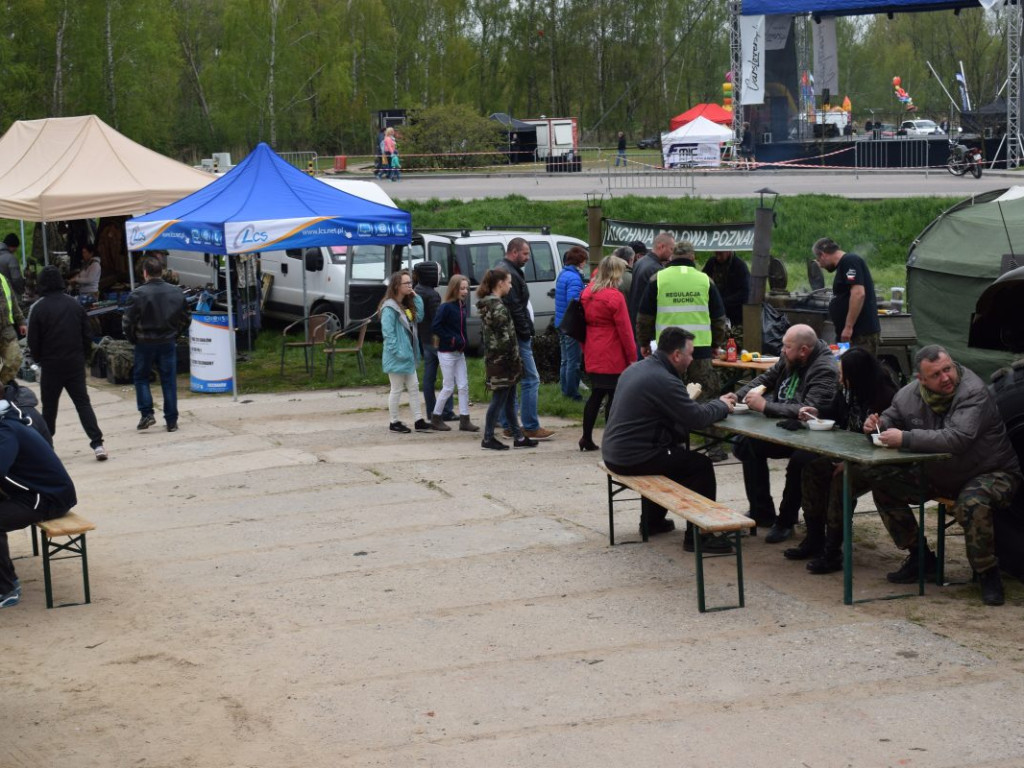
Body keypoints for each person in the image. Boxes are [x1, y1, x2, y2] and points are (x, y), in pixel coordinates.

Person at [860, 345, 1021, 605]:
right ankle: (921, 558)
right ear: (921, 379)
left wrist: (905, 438)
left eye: (948, 369)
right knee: (883, 482)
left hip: (992, 472)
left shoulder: (973, 391)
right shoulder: (908, 395)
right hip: (940, 474)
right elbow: (891, 418)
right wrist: (876, 425)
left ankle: (987, 573)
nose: (946, 377)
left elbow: (958, 438)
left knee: (972, 502)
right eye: (936, 374)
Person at [601, 327, 735, 551]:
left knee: (672, 453)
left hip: (615, 452)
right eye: (690, 354)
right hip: (633, 457)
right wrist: (721, 405)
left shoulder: (637, 368)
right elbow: (697, 419)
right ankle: (699, 537)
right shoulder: (663, 379)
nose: (692, 359)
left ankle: (651, 522)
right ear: (676, 355)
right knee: (700, 465)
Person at [728, 324, 839, 542]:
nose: (782, 350)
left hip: (812, 435)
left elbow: (810, 410)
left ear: (804, 350)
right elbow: (766, 379)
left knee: (800, 461)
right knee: (745, 444)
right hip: (785, 428)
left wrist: (765, 406)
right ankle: (762, 512)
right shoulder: (789, 356)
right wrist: (737, 396)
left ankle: (786, 521)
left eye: (787, 347)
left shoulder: (824, 369)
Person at [792, 347, 898, 568]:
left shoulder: (885, 397)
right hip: (846, 453)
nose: (840, 379)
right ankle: (814, 538)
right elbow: (835, 410)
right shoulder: (848, 390)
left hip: (876, 460)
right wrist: (816, 412)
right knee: (812, 469)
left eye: (843, 375)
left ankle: (833, 551)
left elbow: (883, 441)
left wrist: (849, 462)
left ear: (857, 375)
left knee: (842, 480)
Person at [0, 398, 78, 608]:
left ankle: (7, 588)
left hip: (48, 497)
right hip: (35, 492)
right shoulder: (8, 420)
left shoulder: (6, 429)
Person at [27, 266, 108, 461]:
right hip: (74, 363)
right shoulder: (74, 305)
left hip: (51, 365)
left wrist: (38, 359)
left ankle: (47, 447)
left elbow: (33, 341)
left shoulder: (38, 308)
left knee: (49, 408)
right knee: (83, 403)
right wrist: (84, 356)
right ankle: (97, 444)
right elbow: (87, 335)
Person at [636, 240, 727, 401]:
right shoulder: (705, 280)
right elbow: (718, 319)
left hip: (667, 351)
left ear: (672, 257)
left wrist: (644, 343)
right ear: (693, 257)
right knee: (701, 396)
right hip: (699, 350)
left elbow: (644, 317)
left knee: (667, 397)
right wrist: (715, 345)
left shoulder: (658, 279)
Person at [122, 255, 189, 432]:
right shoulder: (176, 292)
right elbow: (186, 319)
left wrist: (133, 339)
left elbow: (128, 322)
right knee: (169, 380)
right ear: (161, 272)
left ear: (145, 273)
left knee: (141, 377)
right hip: (167, 340)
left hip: (144, 341)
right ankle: (171, 420)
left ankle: (147, 413)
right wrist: (175, 334)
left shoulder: (137, 294)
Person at [498, 238, 553, 440]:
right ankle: (530, 425)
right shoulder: (509, 273)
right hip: (516, 335)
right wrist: (525, 332)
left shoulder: (507, 269)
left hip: (510, 335)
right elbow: (515, 308)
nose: (528, 258)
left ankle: (509, 424)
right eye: (525, 253)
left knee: (511, 380)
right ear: (514, 252)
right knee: (531, 379)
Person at [579, 255, 635, 452]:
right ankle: (612, 440)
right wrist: (632, 357)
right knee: (613, 397)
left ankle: (586, 437)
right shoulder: (615, 297)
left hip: (592, 348)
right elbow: (625, 330)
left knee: (596, 394)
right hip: (612, 352)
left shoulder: (587, 293)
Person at [477, 268, 537, 451]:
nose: (510, 286)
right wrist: (514, 358)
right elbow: (505, 338)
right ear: (500, 283)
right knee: (499, 399)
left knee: (510, 399)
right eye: (509, 282)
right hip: (503, 362)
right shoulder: (498, 307)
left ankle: (519, 437)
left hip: (498, 360)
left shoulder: (490, 304)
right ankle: (488, 438)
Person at [380, 270, 431, 434]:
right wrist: (398, 352)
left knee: (414, 387)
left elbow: (419, 317)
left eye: (411, 283)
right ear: (397, 286)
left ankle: (418, 420)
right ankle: (394, 422)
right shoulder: (389, 308)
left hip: (408, 355)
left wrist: (416, 298)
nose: (410, 286)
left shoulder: (406, 304)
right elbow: (388, 334)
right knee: (396, 389)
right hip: (397, 356)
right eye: (407, 283)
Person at [812, 237, 881, 354]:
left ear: (823, 255)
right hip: (849, 335)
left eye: (819, 260)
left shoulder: (849, 261)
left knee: (858, 366)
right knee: (843, 365)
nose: (821, 265)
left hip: (859, 334)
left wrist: (848, 327)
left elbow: (858, 294)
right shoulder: (844, 265)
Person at [430, 275, 478, 433]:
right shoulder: (446, 307)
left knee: (463, 386)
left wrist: (464, 343)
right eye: (461, 288)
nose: (465, 291)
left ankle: (465, 419)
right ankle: (436, 417)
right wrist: (451, 340)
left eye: (466, 288)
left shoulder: (462, 306)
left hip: (459, 352)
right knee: (448, 387)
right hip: (447, 353)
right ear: (454, 289)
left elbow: (461, 329)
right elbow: (436, 327)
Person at [413, 262, 454, 424]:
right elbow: (438, 319)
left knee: (429, 378)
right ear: (430, 275)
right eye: (438, 273)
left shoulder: (416, 290)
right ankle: (447, 411)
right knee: (448, 376)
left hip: (425, 339)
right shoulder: (432, 295)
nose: (440, 276)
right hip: (437, 341)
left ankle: (431, 411)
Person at [554, 246, 587, 401]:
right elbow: (573, 302)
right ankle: (573, 393)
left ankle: (565, 391)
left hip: (560, 322)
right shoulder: (574, 278)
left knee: (565, 360)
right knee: (573, 362)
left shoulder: (563, 274)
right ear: (579, 261)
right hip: (570, 325)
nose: (585, 264)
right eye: (584, 261)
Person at [627, 234, 670, 335]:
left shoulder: (640, 263)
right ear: (662, 247)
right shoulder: (656, 270)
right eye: (671, 249)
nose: (672, 253)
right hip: (648, 328)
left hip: (636, 322)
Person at [702, 250, 750, 329]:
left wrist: (722, 302)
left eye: (720, 253)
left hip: (735, 314)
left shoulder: (739, 266)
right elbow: (702, 281)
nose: (717, 257)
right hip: (715, 312)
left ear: (728, 251)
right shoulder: (711, 263)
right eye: (716, 253)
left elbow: (745, 293)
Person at [0, 266, 26, 385]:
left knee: (15, 359)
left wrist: (21, 321)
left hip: (6, 328)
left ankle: (2, 386)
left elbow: (13, 300)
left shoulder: (3, 279)